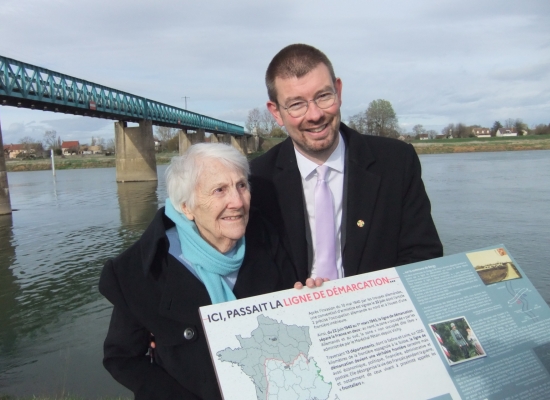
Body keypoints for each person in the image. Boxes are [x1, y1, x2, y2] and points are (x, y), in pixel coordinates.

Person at [100, 143, 296, 399]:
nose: (236, 202)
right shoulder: (143, 269)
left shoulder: (268, 240)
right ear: (186, 207)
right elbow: (122, 358)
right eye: (219, 190)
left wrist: (305, 301)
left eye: (241, 185)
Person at [250, 44, 443, 286]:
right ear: (276, 112)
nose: (314, 115)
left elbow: (423, 257)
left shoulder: (396, 162)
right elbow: (252, 272)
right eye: (296, 104)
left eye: (323, 96)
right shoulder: (256, 181)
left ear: (338, 91)